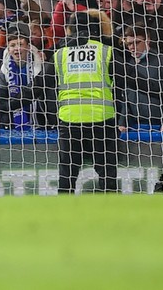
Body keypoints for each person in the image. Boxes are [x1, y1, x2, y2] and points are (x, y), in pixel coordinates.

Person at [53, 11, 119, 193]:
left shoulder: (60, 54)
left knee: (66, 177)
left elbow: (39, 86)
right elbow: (131, 80)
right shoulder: (105, 51)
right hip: (102, 120)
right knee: (107, 176)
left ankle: (63, 217)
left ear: (70, 29)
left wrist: (9, 103)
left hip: (70, 121)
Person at [117, 26, 163, 132]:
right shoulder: (129, 65)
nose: (132, 47)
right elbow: (127, 97)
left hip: (161, 127)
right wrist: (123, 122)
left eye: (137, 42)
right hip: (138, 126)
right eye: (129, 44)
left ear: (147, 40)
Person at [0, 22, 57, 129]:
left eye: (20, 44)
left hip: (41, 119)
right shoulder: (4, 70)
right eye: (13, 45)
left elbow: (49, 97)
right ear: (8, 49)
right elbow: (1, 99)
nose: (17, 49)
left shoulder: (41, 66)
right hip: (14, 120)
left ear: (28, 47)